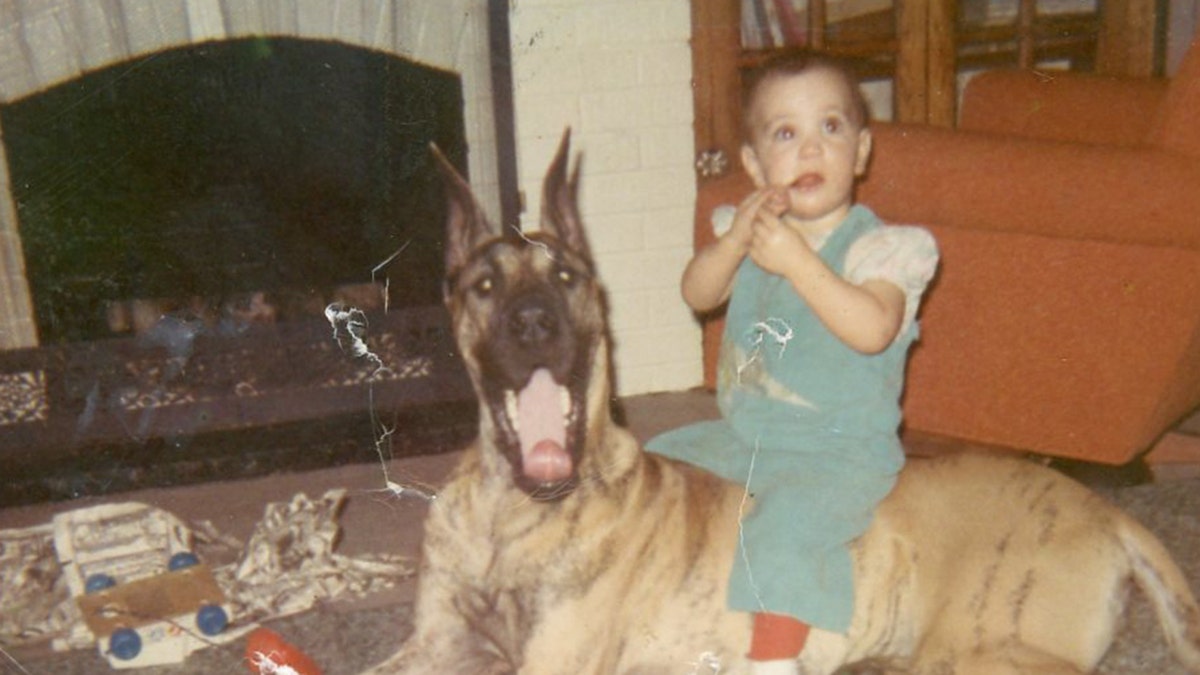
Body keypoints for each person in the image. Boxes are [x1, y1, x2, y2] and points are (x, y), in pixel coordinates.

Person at [647, 51, 938, 675]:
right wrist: (732, 244)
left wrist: (799, 264)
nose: (811, 150)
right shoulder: (747, 231)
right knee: (656, 468)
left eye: (831, 128)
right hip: (748, 434)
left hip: (836, 449)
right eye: (787, 134)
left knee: (783, 530)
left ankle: (775, 661)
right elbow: (698, 295)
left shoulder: (884, 248)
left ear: (860, 151)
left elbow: (872, 329)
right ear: (755, 166)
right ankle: (672, 611)